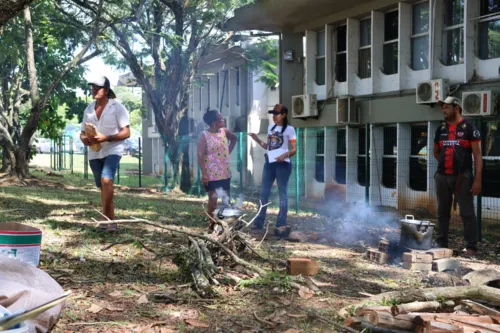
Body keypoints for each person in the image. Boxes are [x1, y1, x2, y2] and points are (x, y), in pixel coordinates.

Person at [433, 96, 482, 257]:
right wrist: (445, 165)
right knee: (442, 212)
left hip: (463, 177)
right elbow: (436, 152)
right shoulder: (440, 129)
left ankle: (471, 247)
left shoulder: (469, 128)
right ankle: (441, 244)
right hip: (442, 176)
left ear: (457, 108)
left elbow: (478, 156)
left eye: (446, 107)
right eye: (443, 107)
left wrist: (477, 179)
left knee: (467, 213)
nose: (443, 110)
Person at [80, 76, 130, 231]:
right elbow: (82, 132)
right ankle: (111, 222)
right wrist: (84, 139)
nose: (94, 90)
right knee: (103, 186)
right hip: (95, 152)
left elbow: (127, 132)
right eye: (92, 87)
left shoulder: (117, 107)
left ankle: (105, 216)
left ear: (106, 90)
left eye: (98, 87)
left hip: (113, 149)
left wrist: (107, 137)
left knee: (106, 180)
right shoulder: (88, 109)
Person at [249, 104, 297, 230]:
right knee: (264, 192)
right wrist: (257, 139)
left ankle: (281, 223)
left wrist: (284, 155)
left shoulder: (290, 129)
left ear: (284, 115)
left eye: (276, 113)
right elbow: (269, 147)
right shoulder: (271, 128)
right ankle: (259, 221)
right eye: (273, 113)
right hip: (269, 163)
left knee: (283, 193)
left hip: (283, 164)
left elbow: (294, 149)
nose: (274, 116)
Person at [197, 110, 237, 230]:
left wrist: (228, 152)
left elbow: (234, 138)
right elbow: (200, 155)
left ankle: (226, 225)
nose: (223, 120)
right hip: (212, 174)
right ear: (214, 122)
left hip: (225, 172)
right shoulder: (204, 135)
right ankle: (212, 224)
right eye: (220, 118)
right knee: (213, 200)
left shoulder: (224, 131)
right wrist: (204, 174)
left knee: (226, 199)